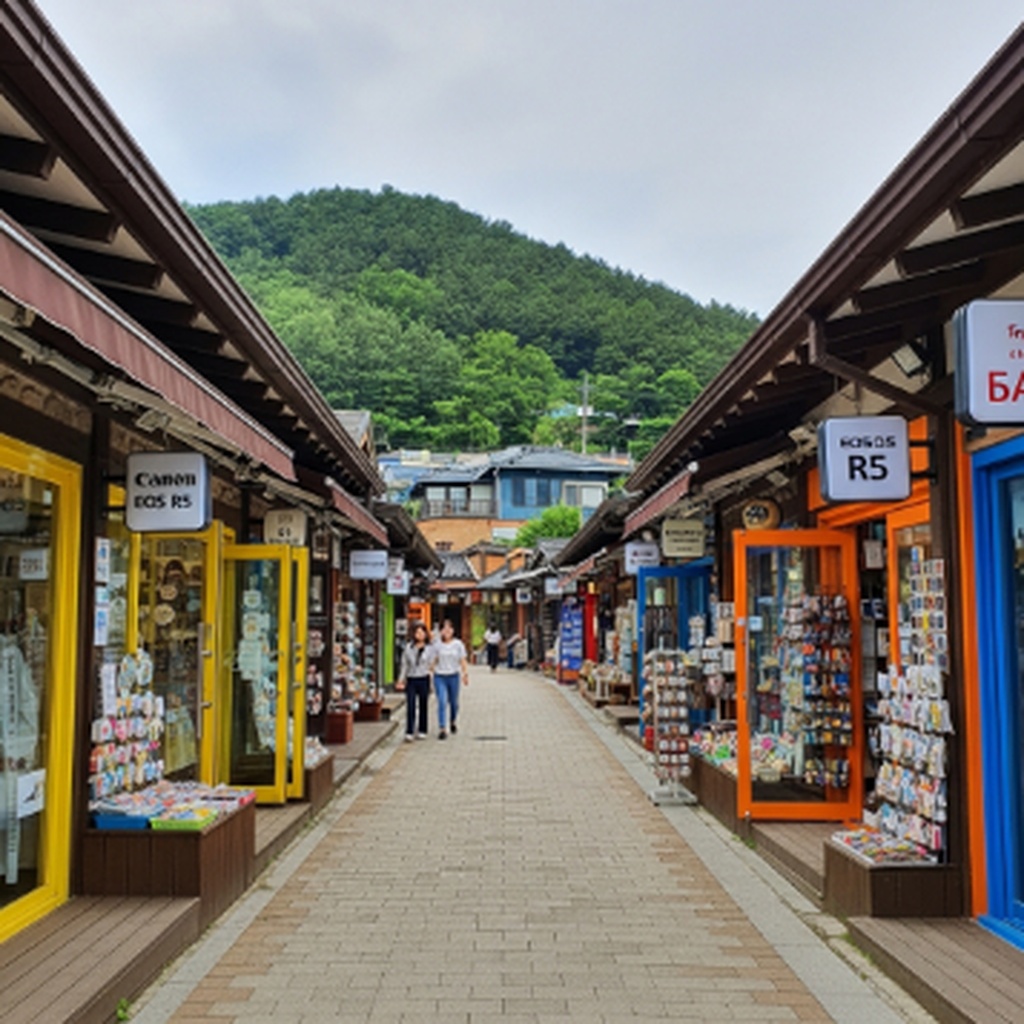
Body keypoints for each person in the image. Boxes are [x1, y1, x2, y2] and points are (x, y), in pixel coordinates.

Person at [430, 619, 469, 739]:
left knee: (454, 703)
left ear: (453, 630)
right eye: (444, 628)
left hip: (453, 676)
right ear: (440, 631)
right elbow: (434, 660)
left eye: (449, 628)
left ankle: (452, 721)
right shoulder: (437, 645)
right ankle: (442, 728)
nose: (447, 631)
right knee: (442, 701)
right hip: (440, 676)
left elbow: (462, 660)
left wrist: (465, 673)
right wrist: (429, 671)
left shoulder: (458, 644)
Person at [396, 622, 432, 741]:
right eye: (417, 632)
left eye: (422, 632)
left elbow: (433, 664)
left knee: (423, 705)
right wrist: (401, 680)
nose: (420, 635)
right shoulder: (408, 648)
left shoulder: (430, 648)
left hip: (424, 678)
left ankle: (422, 729)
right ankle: (409, 731)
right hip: (411, 679)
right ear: (413, 634)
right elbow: (404, 665)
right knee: (410, 705)